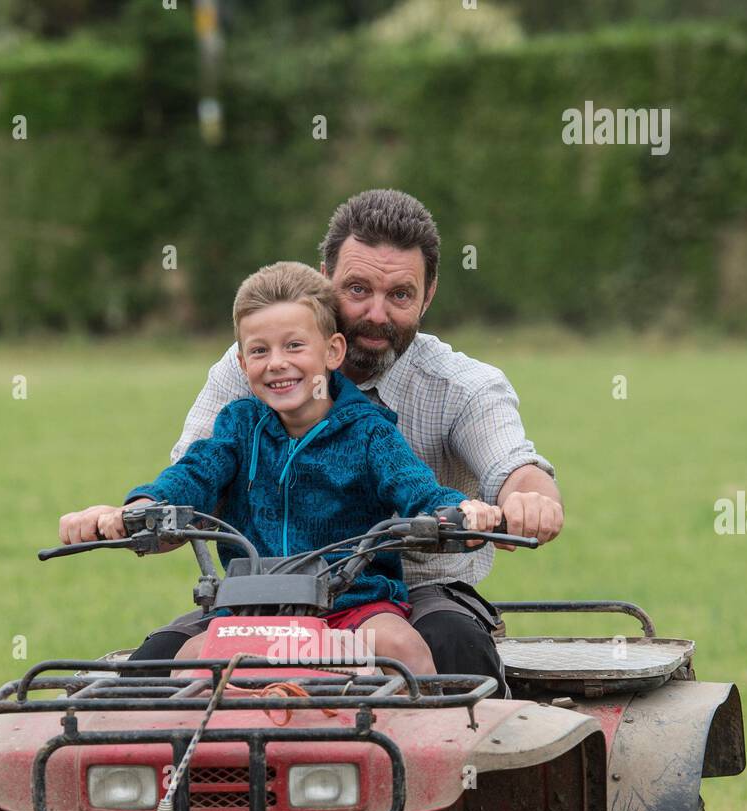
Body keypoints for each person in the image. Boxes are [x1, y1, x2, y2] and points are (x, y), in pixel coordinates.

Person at [59, 189, 563, 689]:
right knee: (154, 668)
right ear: (326, 278)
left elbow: (500, 469)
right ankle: (197, 767)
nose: (377, 314)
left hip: (390, 592)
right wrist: (130, 512)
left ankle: (443, 762)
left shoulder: (440, 396)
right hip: (259, 591)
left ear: (428, 296)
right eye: (358, 289)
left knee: (454, 647)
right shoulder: (246, 391)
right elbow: (191, 481)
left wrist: (520, 504)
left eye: (401, 295)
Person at [86, 260, 499, 675]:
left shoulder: (370, 432)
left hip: (354, 606)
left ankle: (417, 736)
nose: (277, 363)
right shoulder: (238, 427)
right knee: (188, 663)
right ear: (243, 364)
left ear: (333, 351)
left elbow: (418, 490)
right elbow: (194, 473)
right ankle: (203, 741)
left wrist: (459, 511)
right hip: (249, 609)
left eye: (294, 346)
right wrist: (141, 506)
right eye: (260, 351)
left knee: (401, 648)